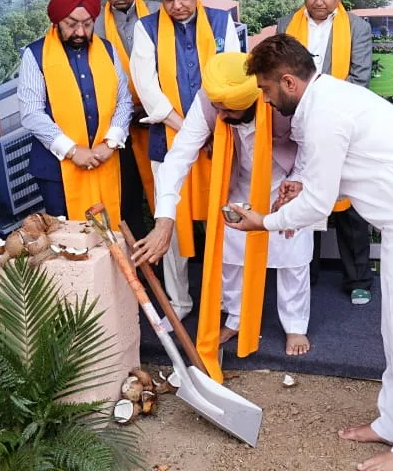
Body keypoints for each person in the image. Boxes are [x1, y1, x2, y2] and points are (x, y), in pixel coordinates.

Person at [226, 34, 393, 471]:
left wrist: (264, 223)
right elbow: (331, 178)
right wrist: (300, 186)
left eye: (267, 90)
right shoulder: (325, 100)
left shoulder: (325, 113)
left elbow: (318, 203)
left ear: (289, 82)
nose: (266, 100)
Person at [133, 52, 312, 376]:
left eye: (228, 110)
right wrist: (165, 218)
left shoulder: (282, 101)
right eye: (217, 107)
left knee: (292, 255)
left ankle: (295, 324)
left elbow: (310, 148)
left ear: (254, 99)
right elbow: (178, 158)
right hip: (238, 181)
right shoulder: (210, 101)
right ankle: (236, 316)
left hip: (287, 180)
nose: (220, 115)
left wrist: (297, 185)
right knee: (231, 253)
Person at [130, 0, 240, 319]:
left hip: (219, 139)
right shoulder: (146, 29)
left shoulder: (221, 22)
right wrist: (191, 130)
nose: (176, 5)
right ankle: (179, 302)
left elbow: (234, 79)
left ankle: (225, 300)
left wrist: (210, 130)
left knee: (220, 222)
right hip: (168, 141)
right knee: (170, 225)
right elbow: (148, 91)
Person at [277, 0, 376, 305]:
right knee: (304, 196)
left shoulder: (358, 28)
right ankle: (307, 271)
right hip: (297, 127)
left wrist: (322, 113)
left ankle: (358, 278)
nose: (318, 2)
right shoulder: (286, 25)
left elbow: (359, 80)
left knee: (349, 205)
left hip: (342, 127)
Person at [18, 0, 132, 224]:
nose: (80, 32)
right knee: (68, 236)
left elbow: (124, 100)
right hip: (56, 170)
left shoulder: (107, 50)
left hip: (105, 159)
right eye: (71, 24)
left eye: (87, 24)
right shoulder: (35, 54)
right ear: (57, 21)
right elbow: (31, 113)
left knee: (112, 229)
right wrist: (71, 150)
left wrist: (111, 142)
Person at [94, 0, 156, 237]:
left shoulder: (157, 12)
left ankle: (187, 250)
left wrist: (153, 106)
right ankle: (141, 254)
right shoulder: (95, 25)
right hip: (121, 125)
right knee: (128, 194)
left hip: (161, 117)